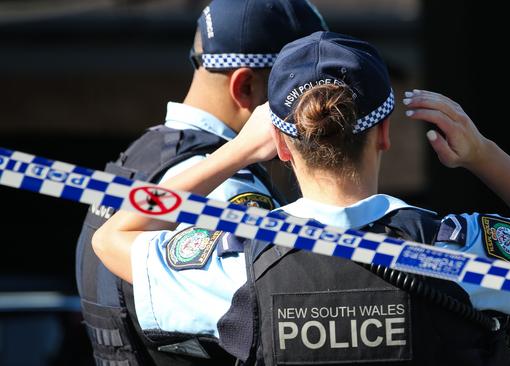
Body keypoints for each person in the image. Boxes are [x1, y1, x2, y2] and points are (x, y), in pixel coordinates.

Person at [93, 31, 510, 365]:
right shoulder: (455, 251)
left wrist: (232, 155)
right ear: (385, 133)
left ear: (279, 143)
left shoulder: (236, 264)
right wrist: (482, 154)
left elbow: (117, 233)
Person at [75, 1, 327, 365]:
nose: (308, 115)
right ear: (245, 88)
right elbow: (280, 322)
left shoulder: (137, 158)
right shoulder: (230, 190)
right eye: (298, 94)